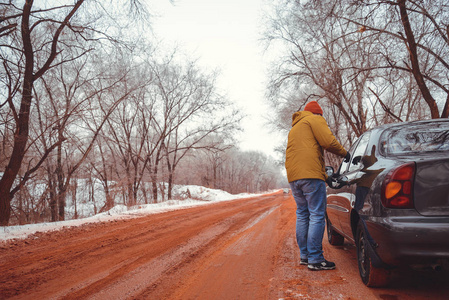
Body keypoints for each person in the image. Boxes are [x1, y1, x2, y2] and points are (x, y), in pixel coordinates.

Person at [285, 101, 350, 271]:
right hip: (311, 176)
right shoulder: (314, 119)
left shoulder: (295, 128)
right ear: (318, 114)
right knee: (317, 214)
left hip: (294, 178)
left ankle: (305, 256)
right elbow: (328, 142)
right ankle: (315, 259)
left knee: (302, 213)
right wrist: (346, 154)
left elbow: (307, 154)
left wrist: (325, 176)